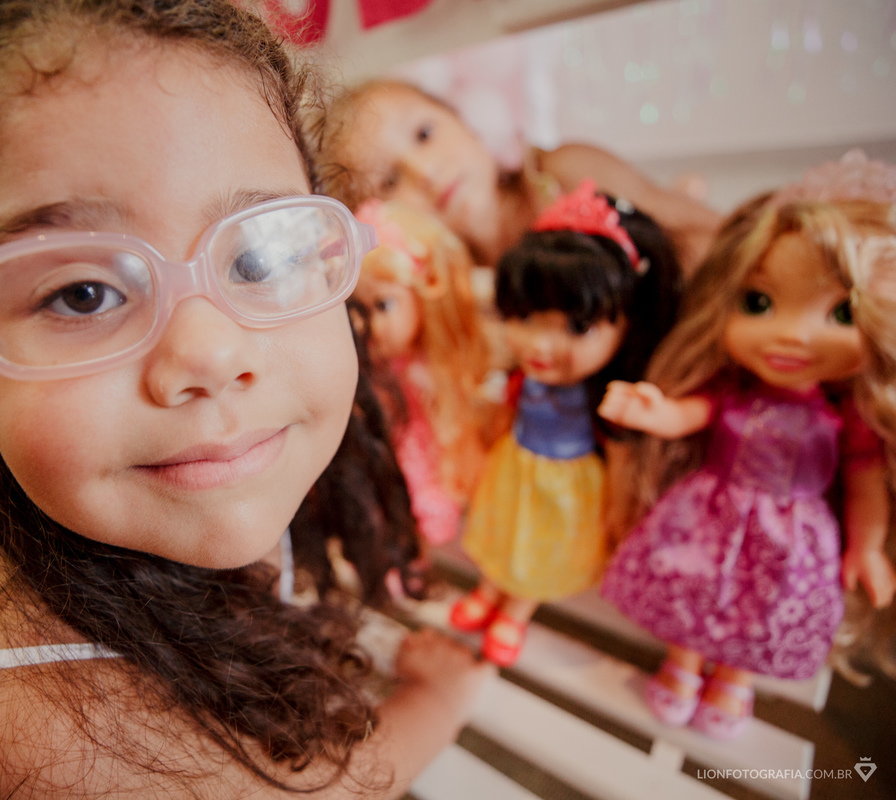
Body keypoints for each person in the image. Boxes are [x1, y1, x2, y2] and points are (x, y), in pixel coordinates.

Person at [0, 0, 492, 796]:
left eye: (260, 256)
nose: (210, 355)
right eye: (81, 293)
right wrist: (436, 700)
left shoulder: (224, 468)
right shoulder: (38, 734)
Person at [597, 150, 896, 740]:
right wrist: (658, 412)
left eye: (839, 313)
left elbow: (863, 476)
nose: (792, 333)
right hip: (710, 512)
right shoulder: (732, 391)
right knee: (692, 587)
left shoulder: (846, 417)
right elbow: (695, 412)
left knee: (762, 611)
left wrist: (868, 546)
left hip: (794, 539)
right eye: (758, 303)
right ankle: (682, 666)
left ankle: (732, 679)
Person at [449, 180, 682, 667]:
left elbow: (620, 455)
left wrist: (619, 513)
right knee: (502, 534)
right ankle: (490, 589)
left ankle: (516, 609)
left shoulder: (610, 401)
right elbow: (502, 413)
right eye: (527, 317)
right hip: (514, 469)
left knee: (539, 554)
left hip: (568, 489)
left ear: (628, 325)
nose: (540, 345)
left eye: (577, 326)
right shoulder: (519, 379)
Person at [313, 79, 722, 276]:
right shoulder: (458, 291)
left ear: (464, 123)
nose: (425, 172)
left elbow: (711, 235)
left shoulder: (563, 174)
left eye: (424, 134)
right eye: (388, 182)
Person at [350, 199, 492, 547]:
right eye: (352, 306)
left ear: (423, 299)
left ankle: (414, 550)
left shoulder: (428, 369)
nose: (362, 323)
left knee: (416, 498)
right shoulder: (364, 362)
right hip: (377, 448)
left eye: (383, 304)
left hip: (420, 449)